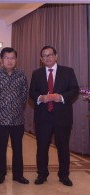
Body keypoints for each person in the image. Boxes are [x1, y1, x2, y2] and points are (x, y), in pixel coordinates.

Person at [29, 46, 79, 186]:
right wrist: (40, 98)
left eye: (50, 55)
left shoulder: (68, 72)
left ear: (56, 56)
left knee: (63, 147)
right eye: (44, 56)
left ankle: (64, 175)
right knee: (42, 147)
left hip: (62, 117)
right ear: (41, 59)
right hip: (43, 118)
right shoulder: (37, 73)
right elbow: (32, 93)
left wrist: (61, 97)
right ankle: (42, 174)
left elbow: (75, 89)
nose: (47, 58)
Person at [0, 47, 29, 185]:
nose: (9, 61)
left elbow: (24, 94)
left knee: (18, 149)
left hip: (17, 119)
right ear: (2, 59)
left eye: (12, 58)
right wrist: (1, 106)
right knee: (0, 149)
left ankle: (18, 175)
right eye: (6, 58)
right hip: (0, 119)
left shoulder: (21, 74)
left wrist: (15, 106)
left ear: (16, 60)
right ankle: (0, 174)